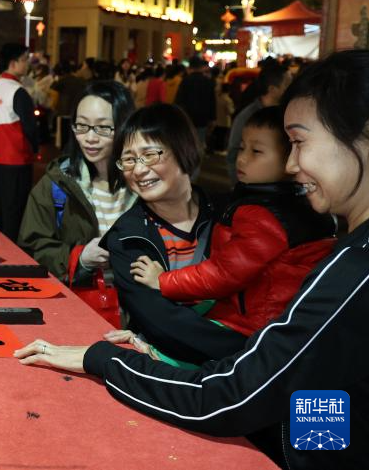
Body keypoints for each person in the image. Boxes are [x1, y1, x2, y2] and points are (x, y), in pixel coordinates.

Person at [14, 50, 369, 470]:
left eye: (299, 142)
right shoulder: (131, 233)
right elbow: (319, 390)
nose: (291, 165)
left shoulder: (347, 264)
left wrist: (108, 359)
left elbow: (232, 396)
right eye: (129, 158)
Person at [129, 106, 335, 348]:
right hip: (270, 319)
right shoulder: (295, 202)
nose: (242, 158)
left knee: (170, 343)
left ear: (291, 158)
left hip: (255, 328)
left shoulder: (265, 216)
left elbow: (223, 273)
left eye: (256, 151)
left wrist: (164, 281)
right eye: (241, 148)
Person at [104, 104, 249, 364]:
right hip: (177, 369)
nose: (138, 170)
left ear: (184, 149)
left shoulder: (233, 215)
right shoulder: (126, 237)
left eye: (149, 155)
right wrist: (254, 350)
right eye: (129, 159)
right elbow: (163, 323)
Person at [17, 81, 136, 283]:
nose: (90, 138)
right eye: (82, 125)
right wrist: (80, 258)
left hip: (137, 299)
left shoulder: (145, 185)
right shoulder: (55, 185)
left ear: (125, 127)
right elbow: (31, 248)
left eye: (102, 127)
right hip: (81, 298)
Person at [0, 43, 39, 242]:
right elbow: (30, 128)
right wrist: (36, 148)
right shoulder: (17, 91)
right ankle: (14, 251)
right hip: (17, 158)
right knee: (15, 212)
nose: (27, 64)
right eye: (24, 60)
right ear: (13, 63)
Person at [226, 61, 290, 181]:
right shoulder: (246, 117)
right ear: (272, 89)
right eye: (287, 84)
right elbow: (232, 153)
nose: (241, 158)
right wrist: (238, 185)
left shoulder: (289, 114)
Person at [175, 55, 216, 151]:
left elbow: (179, 100)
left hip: (187, 117)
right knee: (199, 144)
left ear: (190, 67)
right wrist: (212, 118)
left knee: (187, 144)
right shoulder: (207, 82)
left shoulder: (185, 81)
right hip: (202, 118)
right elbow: (212, 101)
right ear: (201, 67)